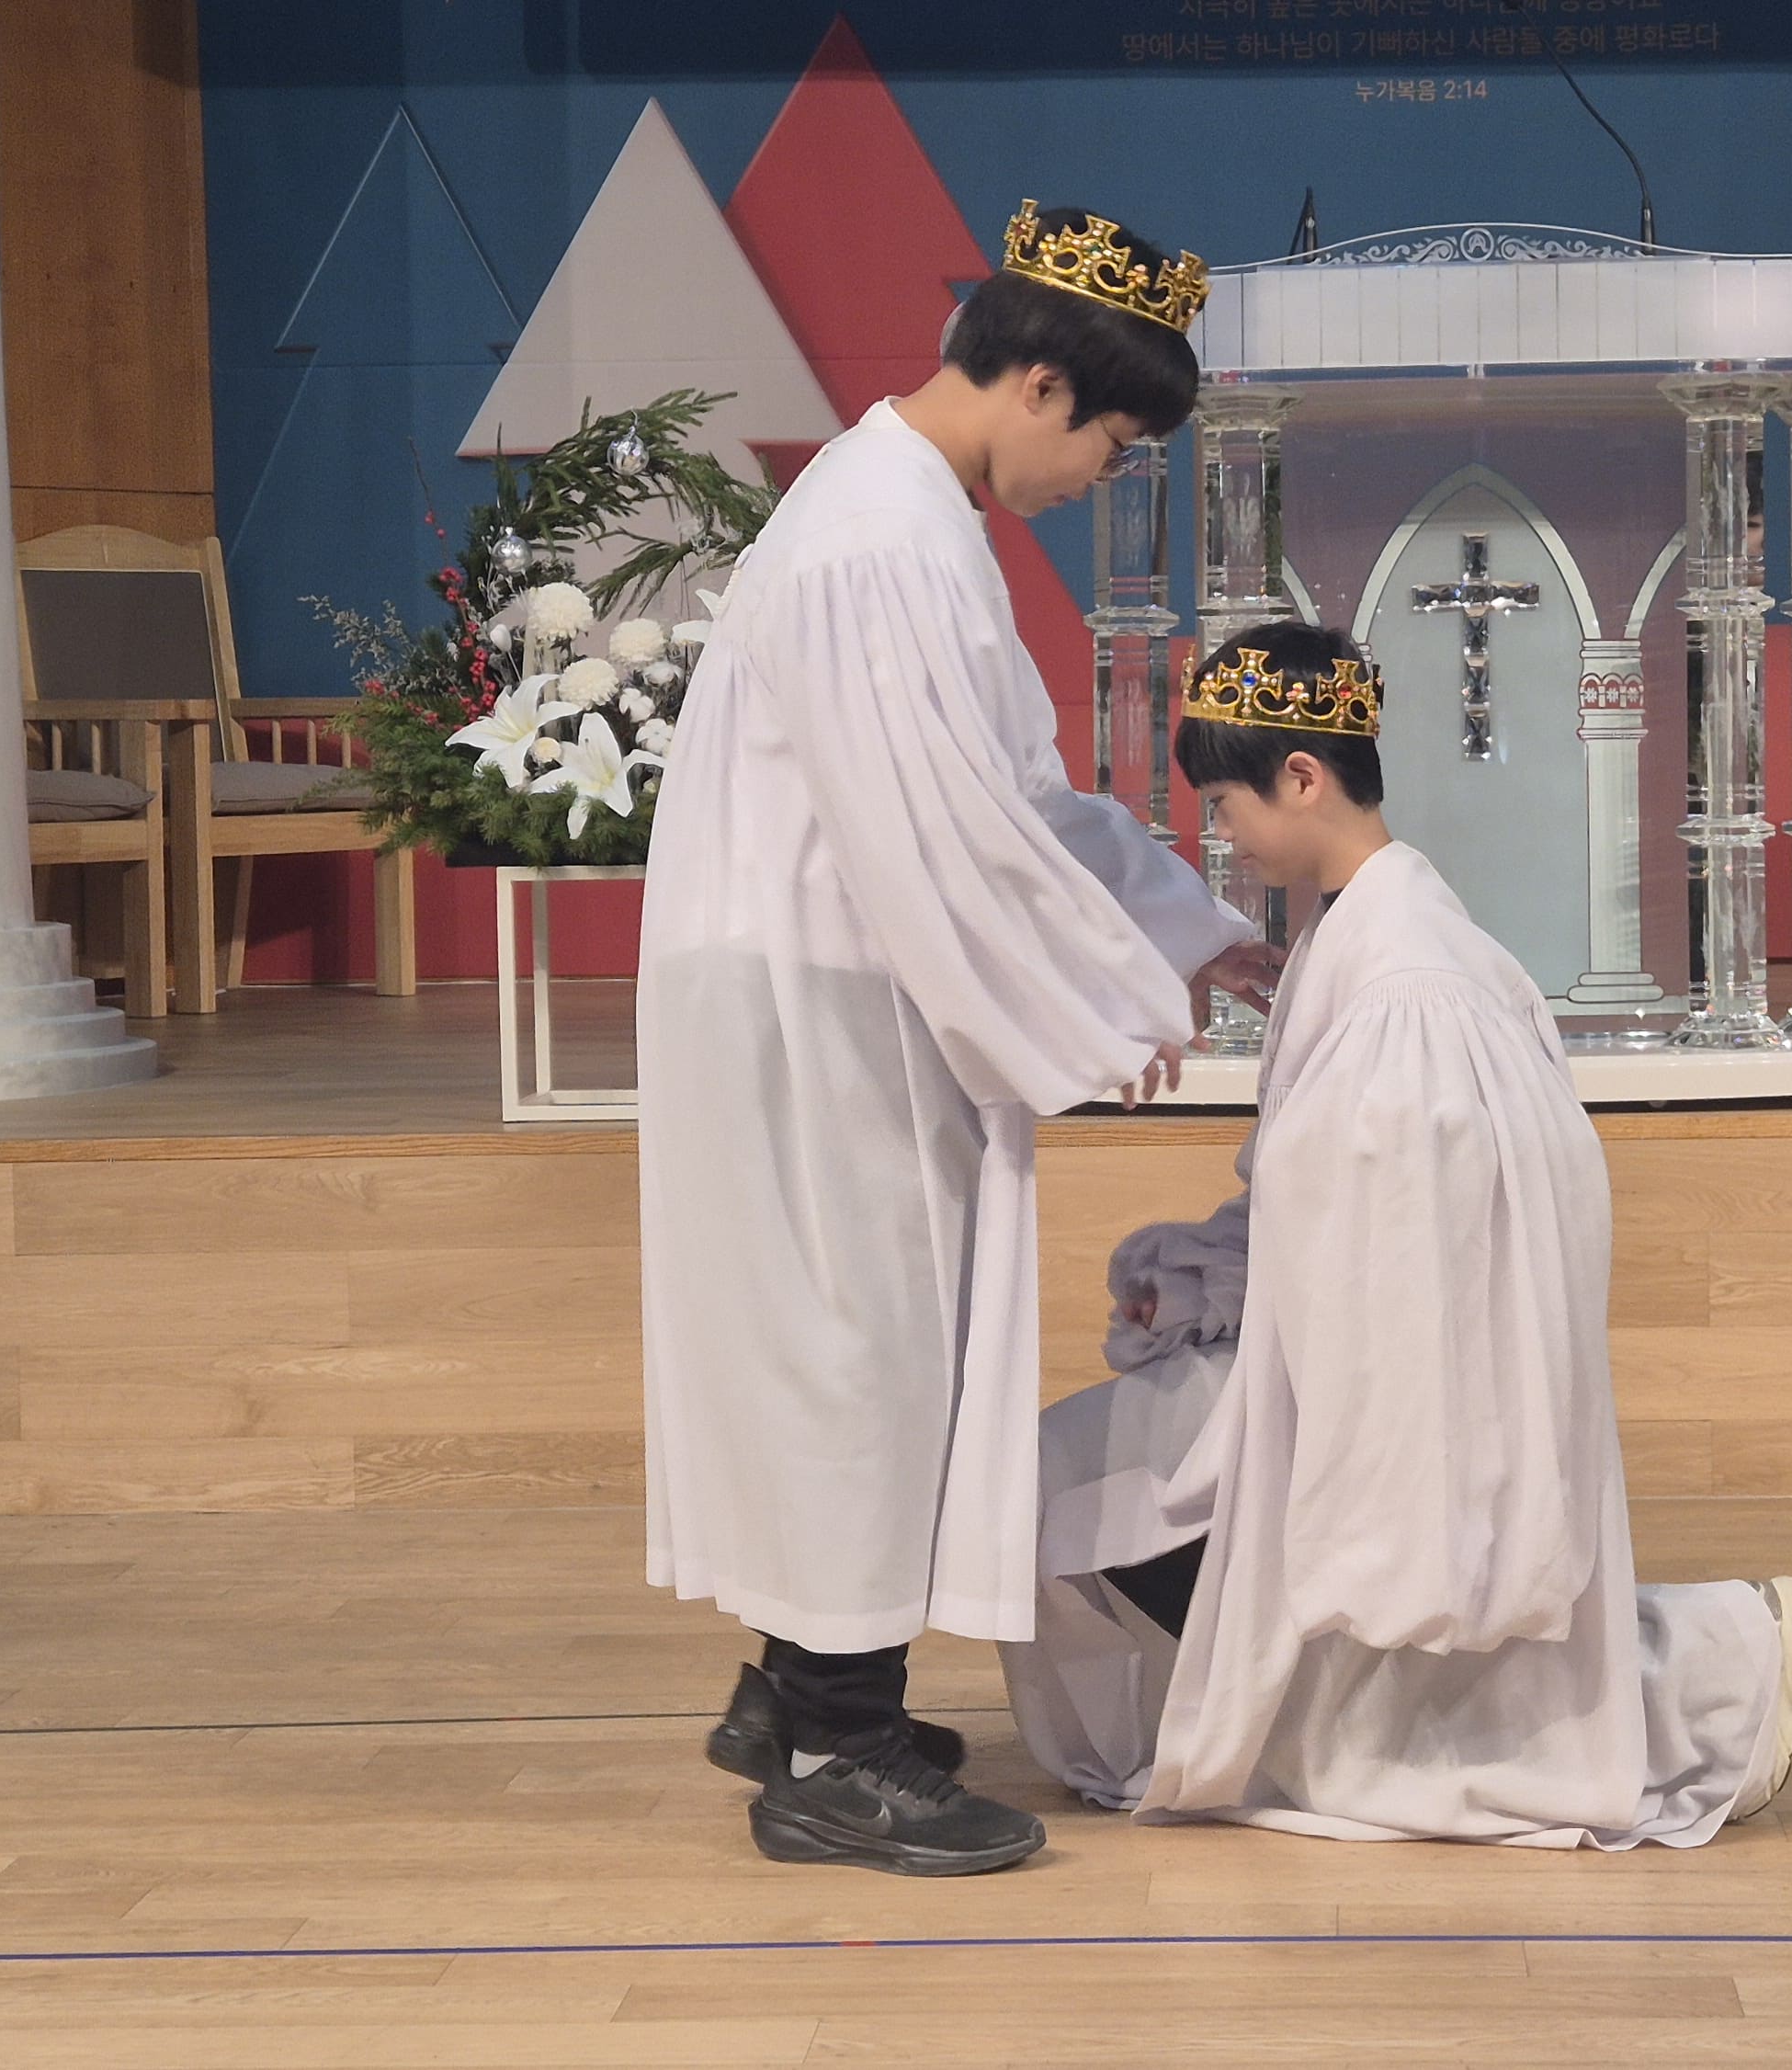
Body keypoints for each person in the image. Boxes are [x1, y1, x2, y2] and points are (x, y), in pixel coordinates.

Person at [638, 203, 1276, 1876]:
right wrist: (1096, 994)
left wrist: (1183, 931)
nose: (1098, 484)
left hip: (839, 984)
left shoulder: (905, 512)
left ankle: (796, 1693)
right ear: (1042, 385)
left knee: (862, 1339)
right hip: (813, 998)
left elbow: (1011, 802)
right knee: (853, 1348)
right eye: (1113, 450)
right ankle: (835, 1755)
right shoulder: (880, 536)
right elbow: (937, 830)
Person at [998, 621, 1792, 1848]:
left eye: (1225, 803)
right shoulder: (1362, 937)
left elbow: (1411, 1267)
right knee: (1051, 1486)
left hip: (1376, 1385)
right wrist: (1209, 1288)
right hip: (1312, 1355)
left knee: (1116, 1528)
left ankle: (1711, 1662)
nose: (1220, 835)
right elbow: (1322, 1213)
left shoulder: (1410, 985)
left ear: (1302, 777)